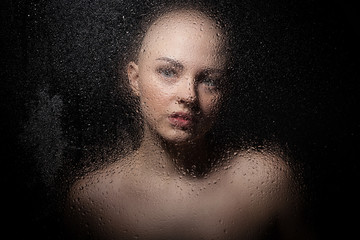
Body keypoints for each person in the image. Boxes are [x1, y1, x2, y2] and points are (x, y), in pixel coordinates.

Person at [66, 3, 311, 240]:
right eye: (168, 72)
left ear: (225, 91)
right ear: (134, 78)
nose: (189, 95)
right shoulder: (90, 201)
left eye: (210, 80)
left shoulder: (268, 182)